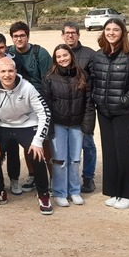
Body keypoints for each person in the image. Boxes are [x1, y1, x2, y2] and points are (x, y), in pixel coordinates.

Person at [0, 57, 54, 215]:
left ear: (16, 72)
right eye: (3, 71)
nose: (7, 75)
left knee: (36, 154)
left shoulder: (27, 87)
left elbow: (44, 112)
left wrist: (38, 141)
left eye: (10, 71)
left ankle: (43, 194)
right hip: (3, 126)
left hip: (26, 125)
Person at [91, 18, 129, 210]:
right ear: (103, 32)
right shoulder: (98, 55)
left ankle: (128, 194)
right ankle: (114, 192)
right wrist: (97, 98)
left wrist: (123, 101)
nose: (111, 33)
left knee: (124, 151)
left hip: (124, 112)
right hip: (104, 111)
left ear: (123, 33)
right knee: (109, 151)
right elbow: (93, 80)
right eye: (108, 29)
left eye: (116, 30)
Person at [42, 44, 95, 207]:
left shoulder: (83, 76)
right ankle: (59, 192)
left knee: (75, 160)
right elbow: (46, 105)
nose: (62, 59)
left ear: (71, 55)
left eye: (65, 55)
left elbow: (88, 103)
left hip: (76, 125)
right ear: (55, 60)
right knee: (59, 160)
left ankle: (74, 191)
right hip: (58, 124)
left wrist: (87, 126)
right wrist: (48, 128)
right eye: (58, 57)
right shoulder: (49, 78)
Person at [7, 21, 53, 193]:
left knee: (44, 141)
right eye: (16, 36)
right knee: (27, 141)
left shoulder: (40, 53)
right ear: (12, 38)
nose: (19, 39)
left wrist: (44, 105)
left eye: (22, 35)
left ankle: (51, 176)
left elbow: (48, 80)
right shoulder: (9, 53)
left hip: (39, 100)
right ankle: (33, 175)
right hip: (20, 103)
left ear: (28, 36)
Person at [61, 22, 98, 193]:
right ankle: (67, 178)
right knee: (68, 146)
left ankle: (88, 177)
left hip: (85, 107)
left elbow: (96, 80)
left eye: (73, 33)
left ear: (78, 35)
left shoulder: (89, 54)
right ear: (62, 36)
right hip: (66, 109)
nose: (70, 36)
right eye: (67, 33)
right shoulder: (60, 53)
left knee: (87, 143)